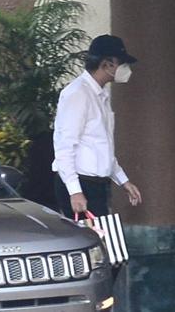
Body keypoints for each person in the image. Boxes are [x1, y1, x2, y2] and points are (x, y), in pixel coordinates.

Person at [52, 34, 142, 219]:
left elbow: (102, 145)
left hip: (96, 185)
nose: (126, 69)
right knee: (94, 242)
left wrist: (123, 180)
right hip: (80, 184)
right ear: (107, 64)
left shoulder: (100, 94)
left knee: (100, 241)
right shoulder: (78, 94)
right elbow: (65, 146)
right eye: (122, 63)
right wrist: (75, 191)